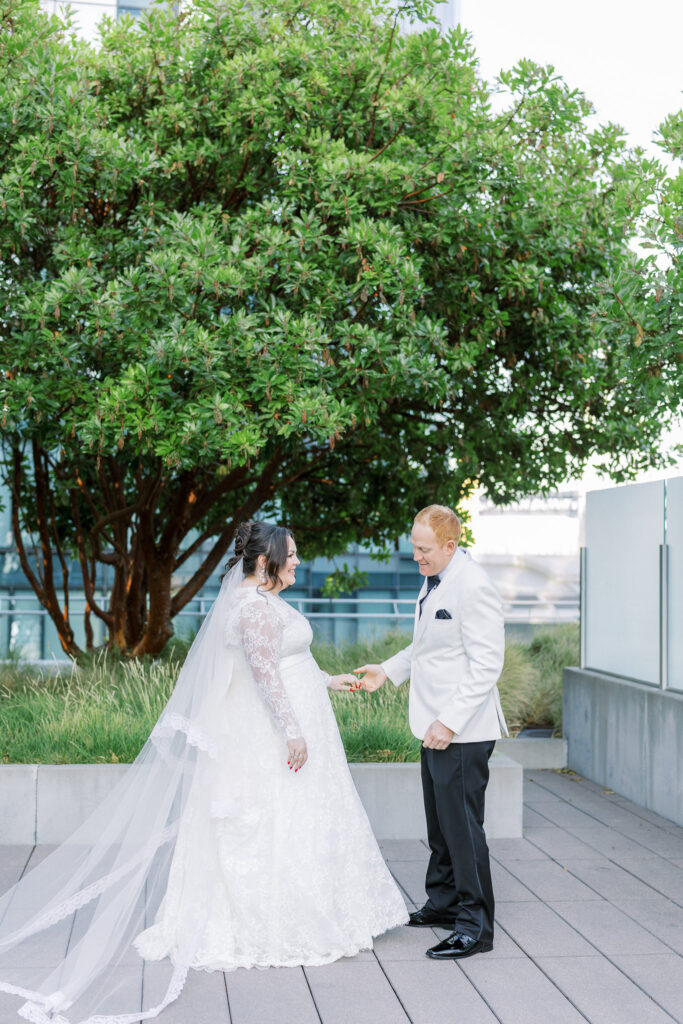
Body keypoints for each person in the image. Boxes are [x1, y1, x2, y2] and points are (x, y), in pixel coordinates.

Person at [0, 521, 407, 1024]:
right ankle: (276, 921)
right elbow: (263, 678)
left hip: (293, 724)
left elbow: (287, 665)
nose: (298, 561)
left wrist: (328, 680)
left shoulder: (258, 598)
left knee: (299, 819)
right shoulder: (253, 608)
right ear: (265, 562)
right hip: (272, 737)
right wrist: (293, 732)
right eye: (292, 555)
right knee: (271, 821)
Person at [356, 504, 507, 960]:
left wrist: (449, 721)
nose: (416, 557)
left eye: (423, 550)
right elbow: (428, 646)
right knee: (440, 825)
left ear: (449, 545)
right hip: (434, 725)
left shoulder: (474, 586)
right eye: (414, 548)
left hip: (461, 730)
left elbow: (486, 665)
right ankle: (442, 904)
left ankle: (475, 926)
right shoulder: (436, 577)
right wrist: (387, 670)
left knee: (462, 829)